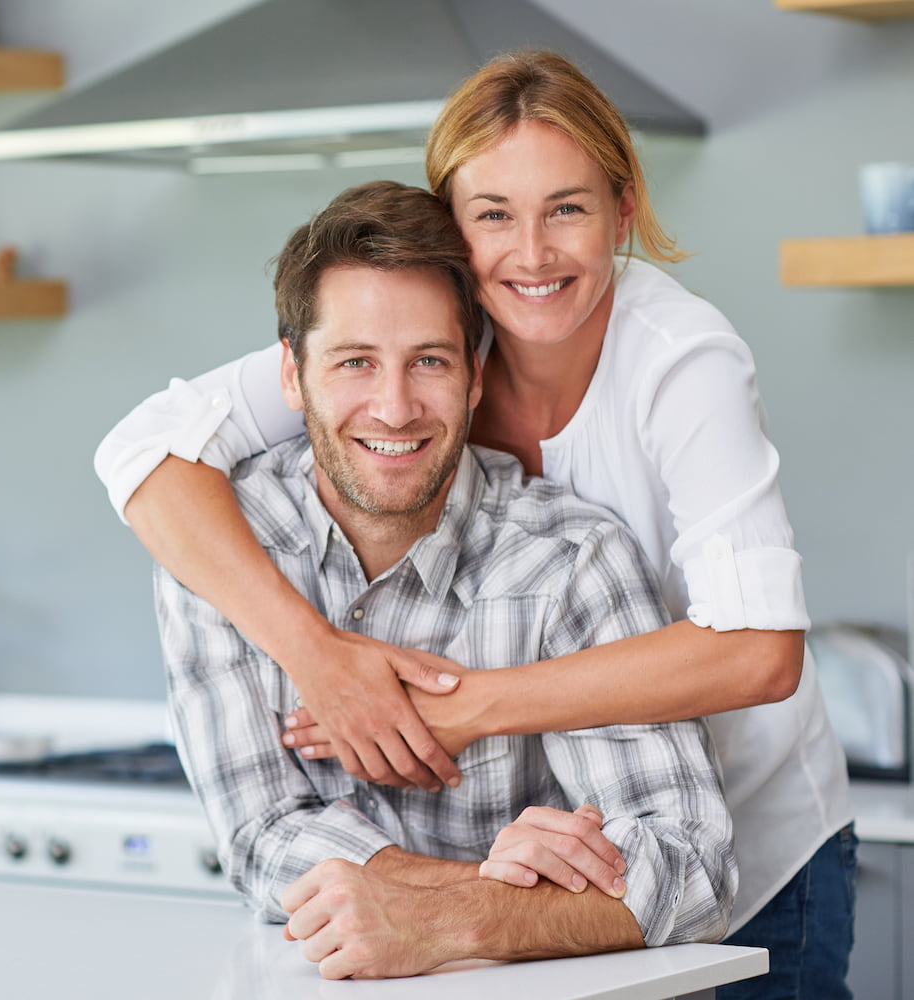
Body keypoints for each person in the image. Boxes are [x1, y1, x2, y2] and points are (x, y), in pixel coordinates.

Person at [98, 50, 853, 998]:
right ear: (454, 226)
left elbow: (759, 656)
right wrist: (320, 656)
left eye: (567, 208)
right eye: (494, 213)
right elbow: (146, 452)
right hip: (568, 881)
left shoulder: (675, 370)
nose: (530, 254)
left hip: (754, 817)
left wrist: (465, 712)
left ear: (622, 213)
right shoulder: (417, 318)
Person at [158, 178, 735, 981]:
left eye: (428, 361)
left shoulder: (571, 558)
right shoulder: (222, 546)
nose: (393, 408)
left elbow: (692, 870)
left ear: (474, 377)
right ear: (292, 377)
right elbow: (265, 838)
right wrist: (503, 896)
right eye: (355, 362)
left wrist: (445, 917)